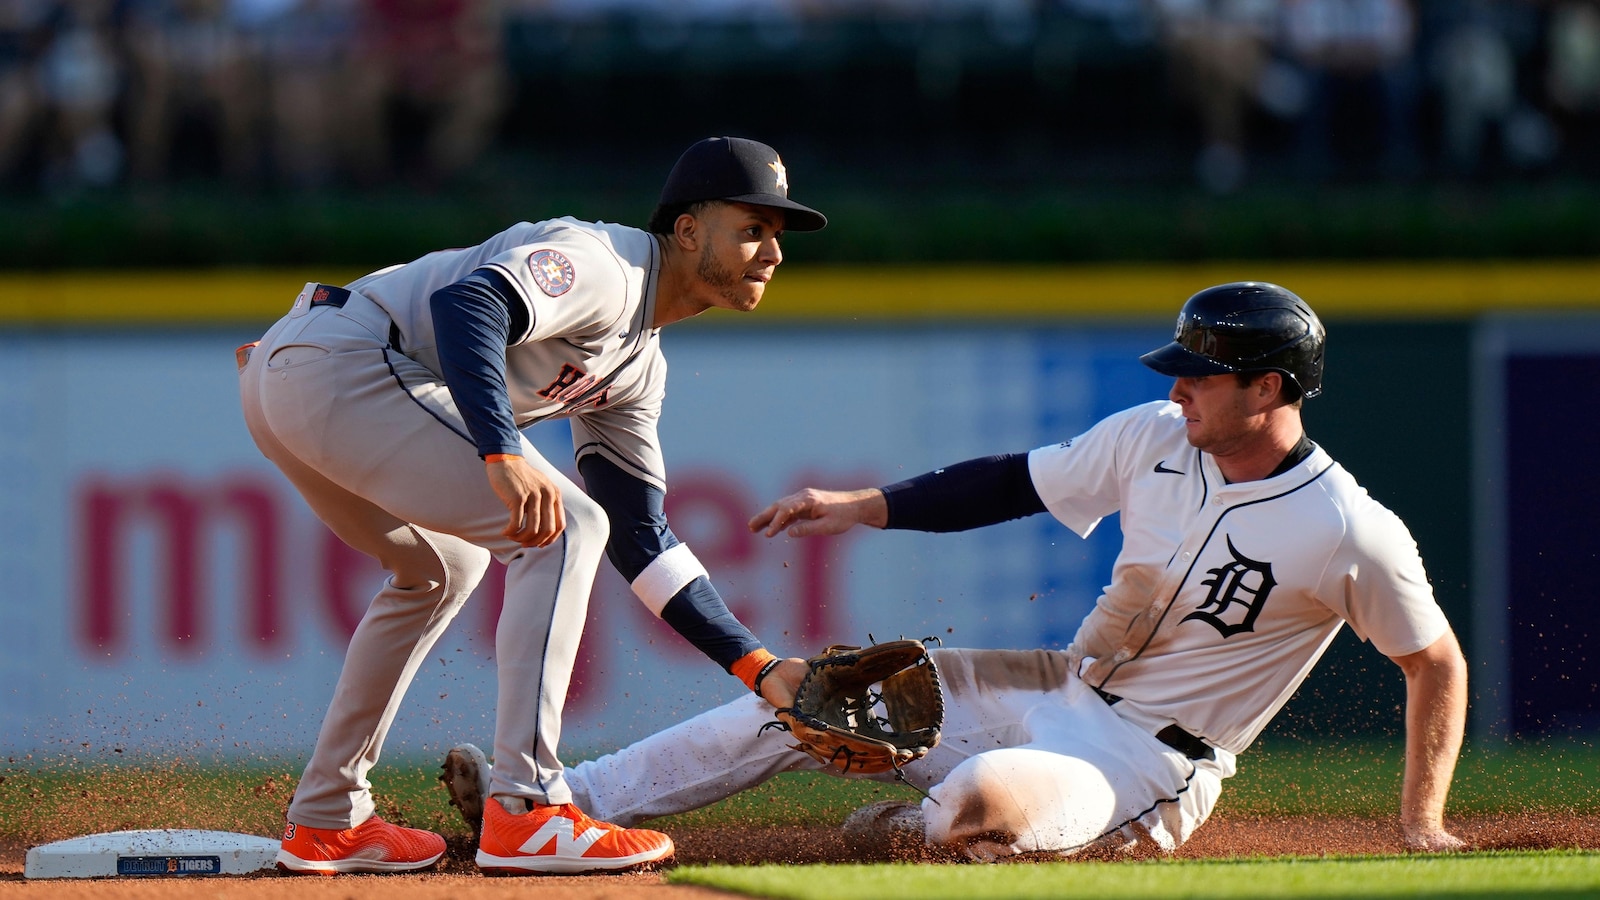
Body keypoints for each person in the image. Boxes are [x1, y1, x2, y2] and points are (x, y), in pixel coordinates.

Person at [445, 281, 1469, 861]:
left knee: (979, 805)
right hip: (1052, 682)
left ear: (1270, 387)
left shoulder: (1347, 530)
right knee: (809, 696)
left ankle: (922, 828)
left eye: (1201, 372)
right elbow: (1005, 483)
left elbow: (1435, 663)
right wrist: (858, 507)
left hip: (1147, 761)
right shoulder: (1155, 436)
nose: (1180, 388)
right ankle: (546, 799)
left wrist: (1420, 820)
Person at [236, 136, 821, 875]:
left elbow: (644, 537)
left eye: (774, 235)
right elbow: (469, 303)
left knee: (444, 570)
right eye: (751, 228)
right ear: (686, 230)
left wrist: (759, 669)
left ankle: (328, 817)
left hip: (306, 372)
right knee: (566, 529)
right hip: (342, 362)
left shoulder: (638, 365)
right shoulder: (608, 266)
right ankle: (528, 808)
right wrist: (504, 452)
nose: (770, 251)